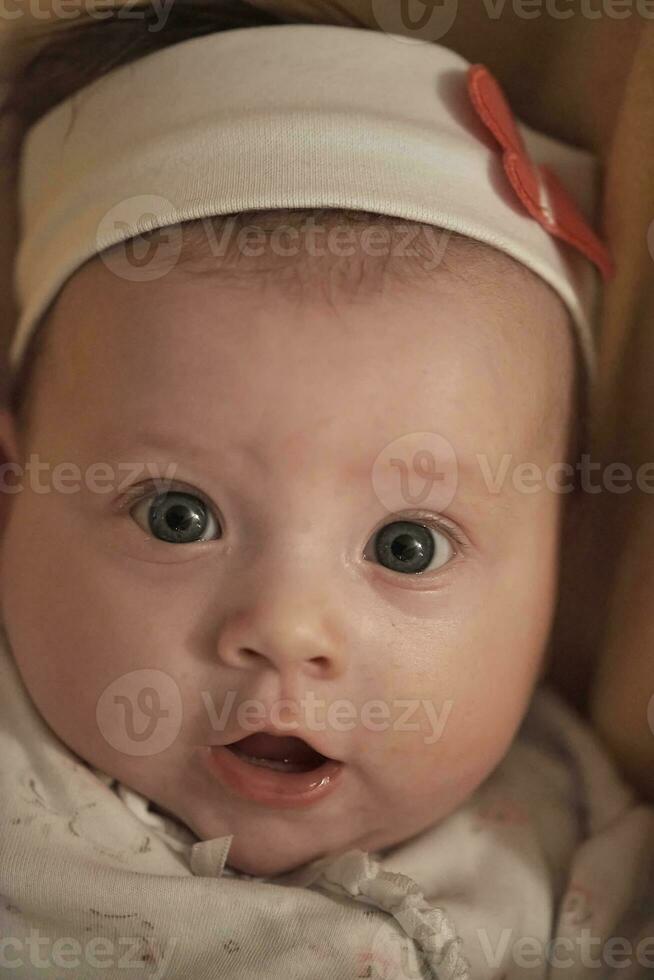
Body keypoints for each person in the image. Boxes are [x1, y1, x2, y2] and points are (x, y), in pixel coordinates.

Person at [0, 7, 652, 979]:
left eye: (408, 546)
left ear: (558, 549)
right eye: (178, 515)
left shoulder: (577, 850)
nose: (285, 626)